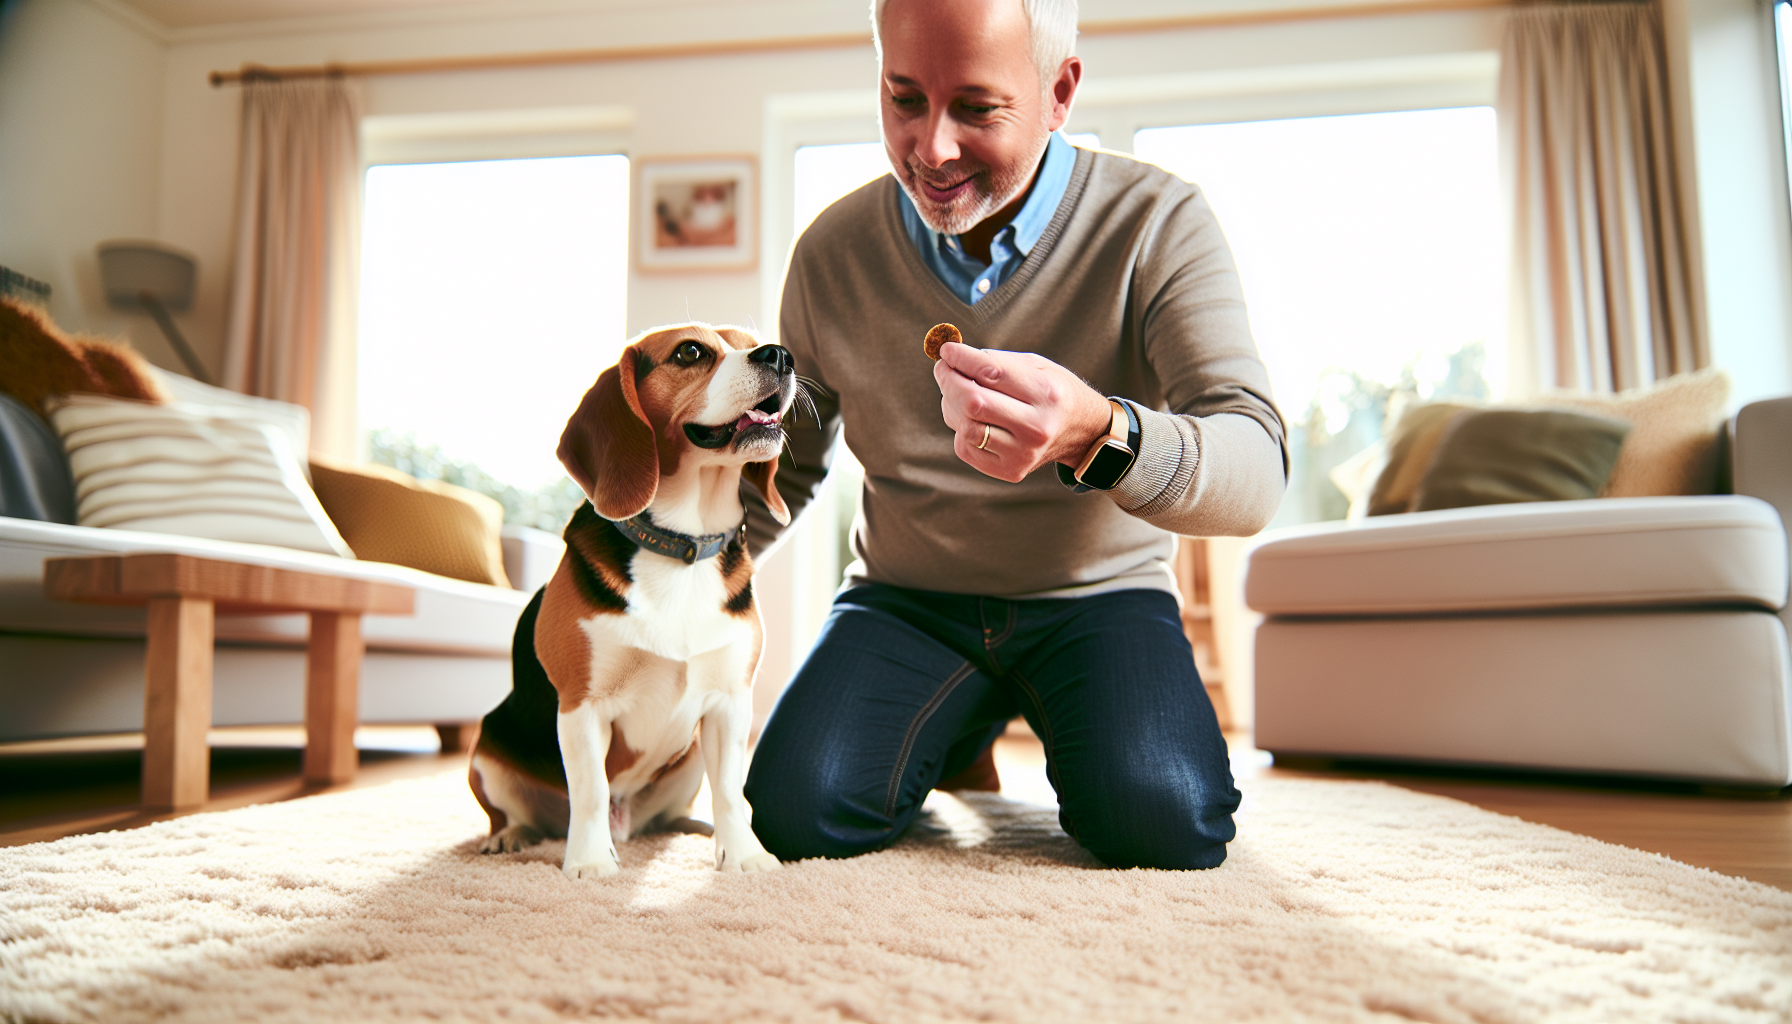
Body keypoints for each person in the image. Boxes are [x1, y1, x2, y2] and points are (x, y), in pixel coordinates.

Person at [739, 0, 1287, 870]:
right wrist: (651, 563)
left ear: (1060, 90)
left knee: (1164, 823)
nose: (933, 148)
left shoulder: (1158, 223)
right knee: (792, 816)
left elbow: (1256, 468)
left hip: (1099, 601)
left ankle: (963, 725)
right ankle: (953, 722)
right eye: (904, 97)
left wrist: (1095, 432)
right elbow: (787, 469)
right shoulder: (829, 254)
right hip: (908, 601)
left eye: (977, 108)